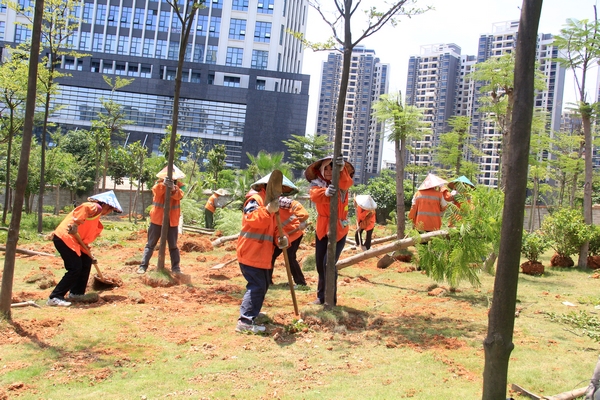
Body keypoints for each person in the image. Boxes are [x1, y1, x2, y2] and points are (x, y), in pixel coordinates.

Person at [236, 175, 292, 334]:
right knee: (257, 286)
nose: (279, 192)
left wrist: (282, 239)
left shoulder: (273, 205)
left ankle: (252, 312)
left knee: (263, 284)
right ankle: (245, 320)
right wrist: (267, 210)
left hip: (263, 255)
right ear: (267, 187)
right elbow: (253, 219)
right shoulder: (255, 201)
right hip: (251, 253)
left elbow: (275, 229)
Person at [48, 191, 123, 306]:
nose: (108, 212)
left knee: (86, 261)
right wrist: (76, 224)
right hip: (64, 238)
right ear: (104, 204)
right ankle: (55, 297)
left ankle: (76, 293)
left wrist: (88, 252)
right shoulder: (95, 207)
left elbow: (83, 238)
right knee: (75, 267)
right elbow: (84, 208)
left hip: (75, 241)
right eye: (109, 208)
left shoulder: (96, 219)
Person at [305, 155, 354, 306]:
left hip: (338, 229)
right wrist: (325, 192)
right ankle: (321, 297)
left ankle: (330, 299)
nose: (328, 170)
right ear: (320, 170)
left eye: (332, 167)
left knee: (329, 264)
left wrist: (341, 169)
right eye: (326, 167)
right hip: (321, 229)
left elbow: (346, 182)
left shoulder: (342, 184)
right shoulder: (317, 185)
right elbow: (314, 195)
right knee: (320, 264)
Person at [137, 166, 185, 274]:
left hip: (171, 222)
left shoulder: (179, 187)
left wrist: (172, 188)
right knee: (150, 244)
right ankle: (143, 266)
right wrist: (164, 185)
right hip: (157, 220)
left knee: (173, 246)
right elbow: (157, 191)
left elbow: (179, 196)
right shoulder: (158, 186)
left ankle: (176, 268)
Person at [270, 196, 310, 287]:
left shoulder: (279, 201)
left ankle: (300, 283)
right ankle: (267, 281)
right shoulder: (262, 206)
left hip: (294, 232)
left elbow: (295, 204)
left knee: (289, 257)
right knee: (271, 255)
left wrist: (303, 219)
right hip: (280, 236)